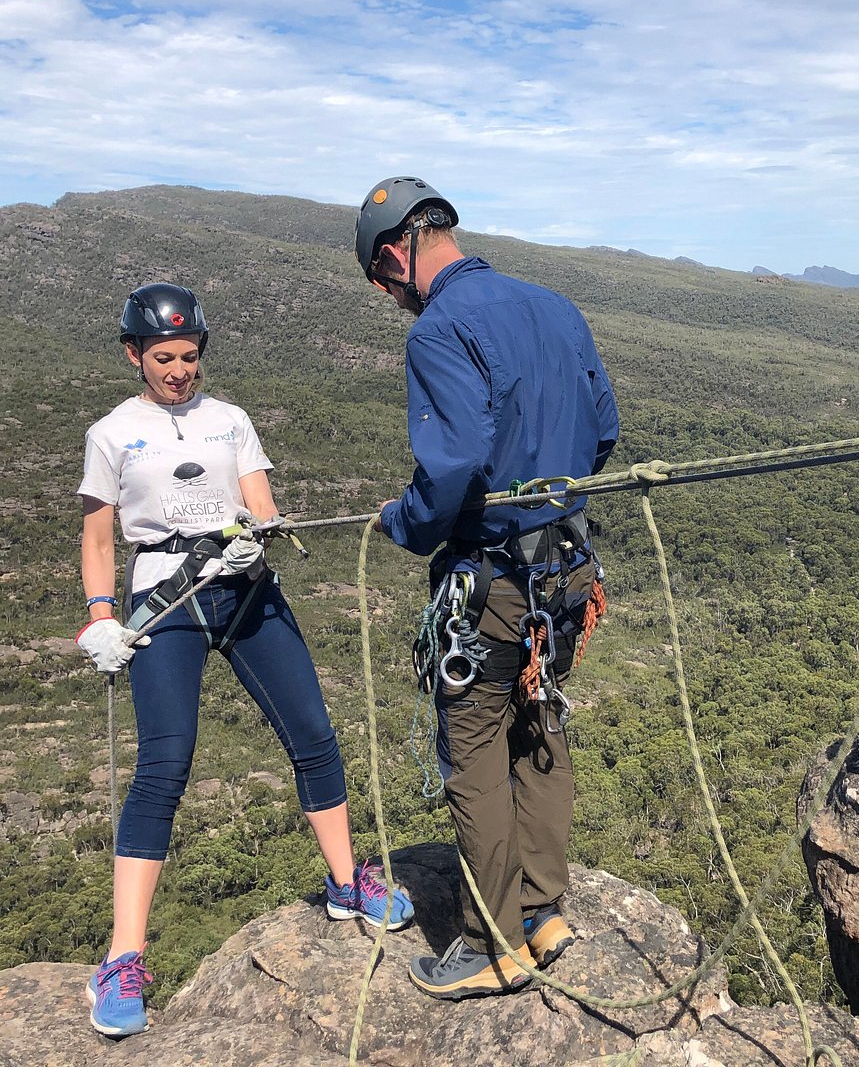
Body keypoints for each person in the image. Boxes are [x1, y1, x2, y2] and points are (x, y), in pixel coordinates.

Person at [75, 283, 413, 1038]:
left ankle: (342, 883)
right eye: (163, 358)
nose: (178, 372)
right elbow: (100, 539)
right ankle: (122, 959)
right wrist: (101, 619)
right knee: (166, 764)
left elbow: (261, 502)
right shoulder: (111, 433)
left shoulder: (230, 421)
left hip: (245, 586)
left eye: (189, 358)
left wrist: (257, 529)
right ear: (134, 354)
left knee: (313, 734)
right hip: (166, 599)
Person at [354, 175, 619, 1001]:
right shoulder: (555, 306)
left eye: (383, 282)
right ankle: (544, 911)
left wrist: (404, 523)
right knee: (539, 726)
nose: (392, 298)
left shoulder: (439, 330)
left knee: (473, 752)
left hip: (492, 584)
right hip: (567, 573)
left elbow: (453, 465)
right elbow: (604, 431)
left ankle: (491, 943)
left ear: (396, 255)